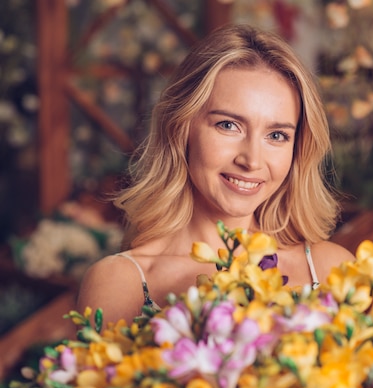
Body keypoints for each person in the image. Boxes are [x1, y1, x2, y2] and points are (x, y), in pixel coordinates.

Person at [77, 24, 354, 325]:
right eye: (228, 125)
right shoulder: (121, 283)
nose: (251, 160)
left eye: (276, 135)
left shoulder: (334, 270)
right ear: (180, 128)